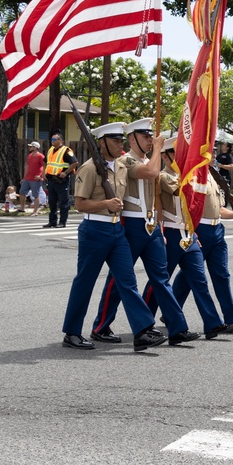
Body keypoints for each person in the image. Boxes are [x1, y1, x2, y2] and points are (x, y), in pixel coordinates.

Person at [90, 118, 199, 346]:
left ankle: (177, 328)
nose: (151, 140)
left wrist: (158, 220)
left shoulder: (152, 160)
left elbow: (156, 194)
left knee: (161, 278)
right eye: (145, 136)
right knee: (118, 280)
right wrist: (159, 148)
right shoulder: (125, 161)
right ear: (132, 139)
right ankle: (101, 326)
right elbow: (150, 173)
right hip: (130, 224)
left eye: (151, 136)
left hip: (150, 226)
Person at [60, 122, 167, 352]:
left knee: (127, 281)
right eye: (116, 140)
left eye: (121, 140)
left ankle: (142, 331)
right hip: (95, 231)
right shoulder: (88, 168)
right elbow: (80, 204)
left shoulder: (120, 165)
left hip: (117, 230)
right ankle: (72, 332)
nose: (121, 144)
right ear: (101, 143)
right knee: (85, 282)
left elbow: (150, 171)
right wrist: (105, 204)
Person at [148, 134, 233, 338]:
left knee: (200, 280)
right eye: (178, 153)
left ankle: (213, 323)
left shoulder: (197, 175)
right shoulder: (165, 176)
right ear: (166, 157)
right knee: (160, 280)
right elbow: (184, 194)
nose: (185, 156)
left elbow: (214, 207)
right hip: (172, 233)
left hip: (191, 232)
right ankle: (145, 320)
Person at [171, 163, 233, 335]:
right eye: (211, 150)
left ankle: (232, 316)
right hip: (200, 229)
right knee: (193, 276)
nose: (213, 154)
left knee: (221, 274)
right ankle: (172, 311)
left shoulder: (214, 176)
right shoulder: (193, 175)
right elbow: (188, 207)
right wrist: (192, 232)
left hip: (217, 230)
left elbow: (218, 208)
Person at [43, 132, 78, 229]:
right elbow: (46, 162)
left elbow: (75, 162)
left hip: (61, 180)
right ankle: (52, 221)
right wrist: (43, 173)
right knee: (52, 202)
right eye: (51, 139)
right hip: (50, 180)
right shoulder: (51, 150)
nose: (52, 141)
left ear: (60, 140)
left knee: (63, 202)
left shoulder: (66, 150)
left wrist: (66, 173)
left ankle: (62, 222)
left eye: (54, 139)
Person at [20, 141, 46, 215]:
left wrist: (41, 176)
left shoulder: (41, 156)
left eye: (31, 146)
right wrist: (24, 177)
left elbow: (45, 166)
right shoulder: (30, 156)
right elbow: (27, 166)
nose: (29, 148)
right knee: (22, 192)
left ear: (35, 148)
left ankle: (35, 211)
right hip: (28, 178)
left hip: (36, 179)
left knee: (36, 195)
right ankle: (22, 208)